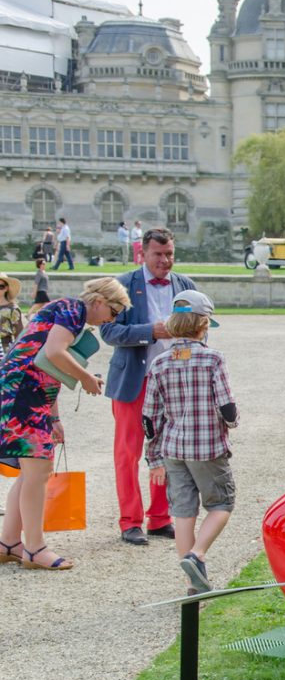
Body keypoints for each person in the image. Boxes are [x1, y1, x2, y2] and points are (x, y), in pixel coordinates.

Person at [0, 278, 130, 571]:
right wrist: (85, 377)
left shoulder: (67, 310)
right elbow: (55, 352)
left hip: (25, 392)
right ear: (98, 301)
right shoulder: (74, 310)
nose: (113, 318)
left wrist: (53, 416)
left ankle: (9, 542)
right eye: (114, 310)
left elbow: (46, 365)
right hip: (22, 393)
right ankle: (34, 548)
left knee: (31, 470)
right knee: (38, 469)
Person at [100, 227, 198, 546]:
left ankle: (160, 517)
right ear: (143, 253)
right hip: (134, 381)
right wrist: (150, 332)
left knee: (169, 450)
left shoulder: (186, 286)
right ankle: (130, 521)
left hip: (172, 383)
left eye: (169, 254)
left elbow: (201, 330)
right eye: (158, 254)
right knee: (128, 453)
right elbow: (109, 332)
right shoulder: (123, 285)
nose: (165, 260)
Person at [142, 290, 238, 594]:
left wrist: (153, 457)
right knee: (222, 503)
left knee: (183, 511)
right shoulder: (212, 359)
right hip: (207, 447)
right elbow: (227, 407)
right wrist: (233, 423)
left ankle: (192, 583)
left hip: (173, 449)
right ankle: (196, 556)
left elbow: (149, 418)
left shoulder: (159, 363)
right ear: (203, 323)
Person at [0, 274, 25, 356]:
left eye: (1, 287)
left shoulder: (13, 309)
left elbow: (19, 334)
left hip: (4, 349)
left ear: (6, 288)